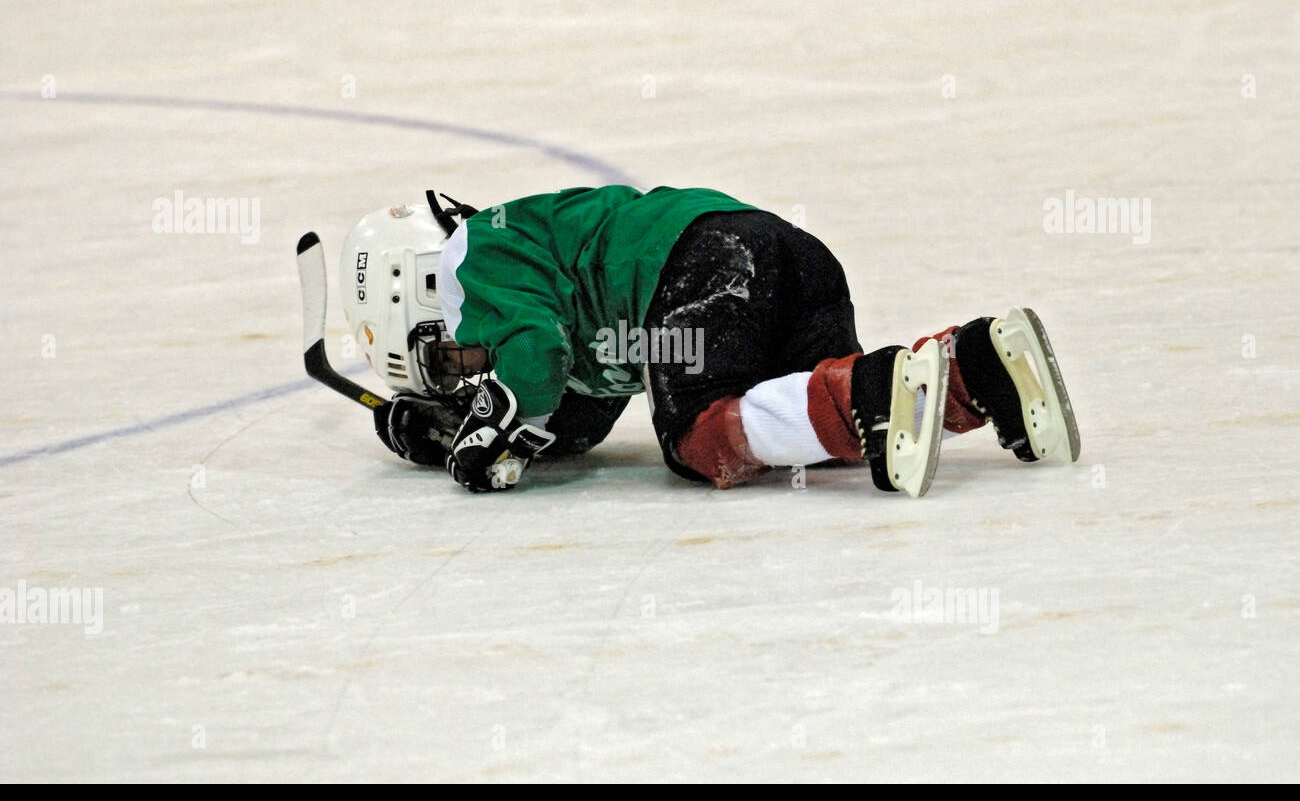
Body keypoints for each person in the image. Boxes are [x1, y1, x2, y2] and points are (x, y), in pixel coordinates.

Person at [339, 187, 1079, 494]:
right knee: (820, 415)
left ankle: (877, 386)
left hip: (702, 267)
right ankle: (982, 365)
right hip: (773, 254)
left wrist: (496, 430)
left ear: (418, 285)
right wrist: (455, 434)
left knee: (700, 438)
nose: (462, 368)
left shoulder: (472, 257)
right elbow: (577, 417)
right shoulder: (529, 265)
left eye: (442, 358)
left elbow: (532, 360)